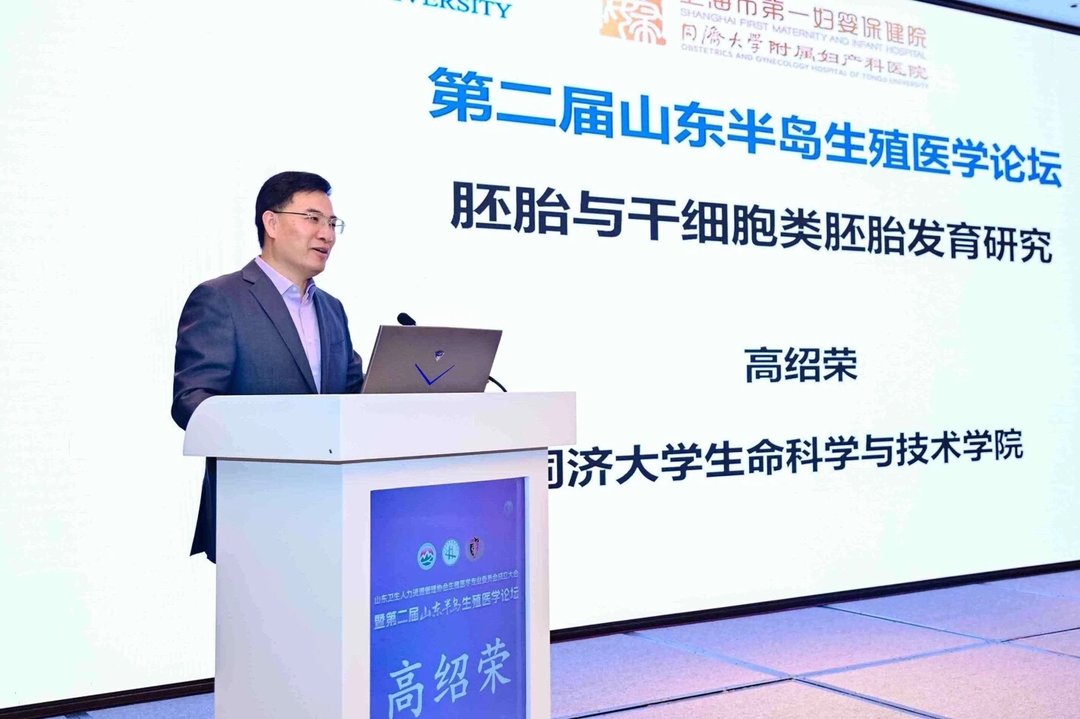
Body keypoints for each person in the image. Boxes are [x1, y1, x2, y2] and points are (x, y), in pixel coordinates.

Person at [171, 171, 364, 562]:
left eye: (332, 223)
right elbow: (191, 400)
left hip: (333, 509)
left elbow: (352, 393)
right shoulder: (220, 298)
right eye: (313, 219)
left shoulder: (332, 308)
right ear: (271, 223)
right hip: (254, 509)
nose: (327, 234)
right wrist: (278, 430)